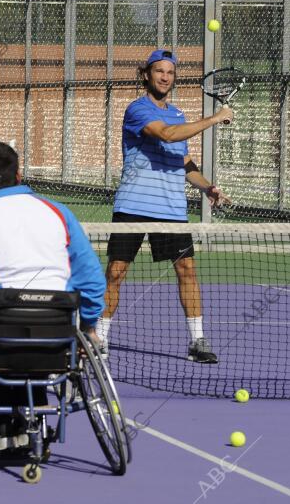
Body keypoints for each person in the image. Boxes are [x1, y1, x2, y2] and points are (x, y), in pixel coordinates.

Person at [0, 141, 106, 450]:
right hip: (58, 336)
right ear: (19, 174)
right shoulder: (60, 213)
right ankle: (30, 422)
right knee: (32, 341)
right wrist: (89, 326)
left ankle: (0, 428)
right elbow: (92, 280)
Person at [94, 49, 232, 364]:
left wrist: (208, 186)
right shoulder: (137, 109)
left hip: (171, 209)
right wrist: (213, 118)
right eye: (159, 71)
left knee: (187, 270)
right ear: (147, 75)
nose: (164, 77)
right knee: (116, 272)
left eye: (169, 72)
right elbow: (167, 136)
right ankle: (100, 338)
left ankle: (197, 341)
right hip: (134, 205)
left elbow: (182, 160)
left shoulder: (179, 115)